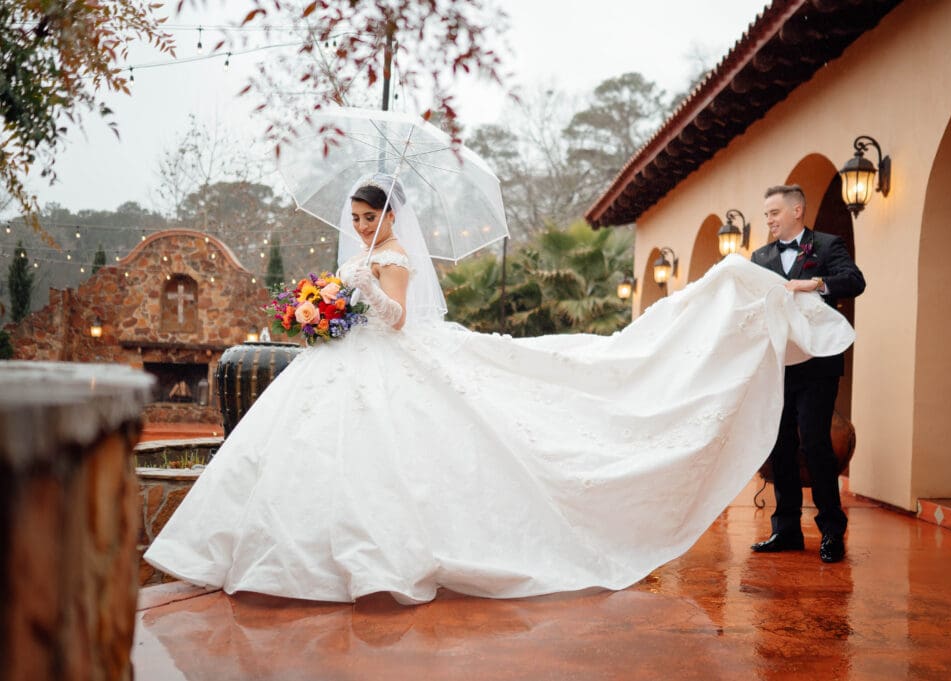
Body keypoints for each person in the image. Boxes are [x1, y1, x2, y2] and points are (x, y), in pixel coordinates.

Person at [144, 176, 856, 605]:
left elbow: (396, 318)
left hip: (389, 357)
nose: (359, 228)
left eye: (368, 218)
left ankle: (820, 528)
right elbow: (364, 315)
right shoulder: (364, 254)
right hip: (345, 363)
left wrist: (361, 289)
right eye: (354, 219)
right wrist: (327, 308)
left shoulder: (393, 258)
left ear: (389, 218)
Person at [749, 184, 866, 563]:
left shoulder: (827, 246)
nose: (768, 220)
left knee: (815, 444)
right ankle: (786, 530)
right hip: (777, 365)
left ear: (796, 211)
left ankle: (831, 530)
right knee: (780, 445)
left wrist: (815, 283)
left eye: (774, 212)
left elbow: (855, 281)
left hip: (818, 364)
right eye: (766, 214)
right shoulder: (760, 256)